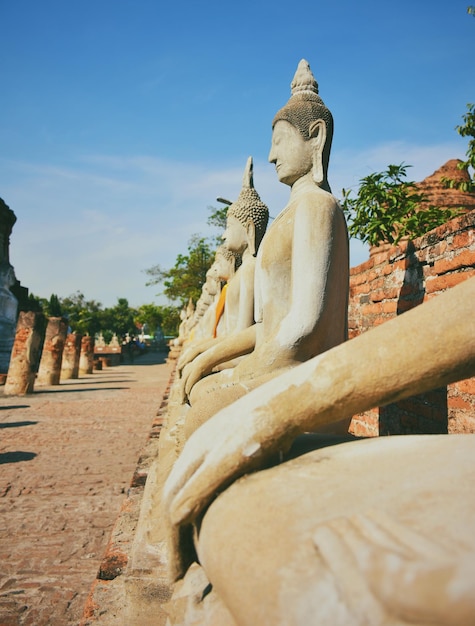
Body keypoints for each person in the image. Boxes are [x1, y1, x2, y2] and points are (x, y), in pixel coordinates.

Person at [179, 59, 349, 439]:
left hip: (308, 378)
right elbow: (268, 327)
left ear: (316, 137)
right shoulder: (292, 214)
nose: (272, 156)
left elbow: (306, 321)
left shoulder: (318, 207)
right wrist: (213, 356)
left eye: (279, 142)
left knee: (205, 414)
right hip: (279, 366)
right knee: (204, 392)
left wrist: (245, 370)